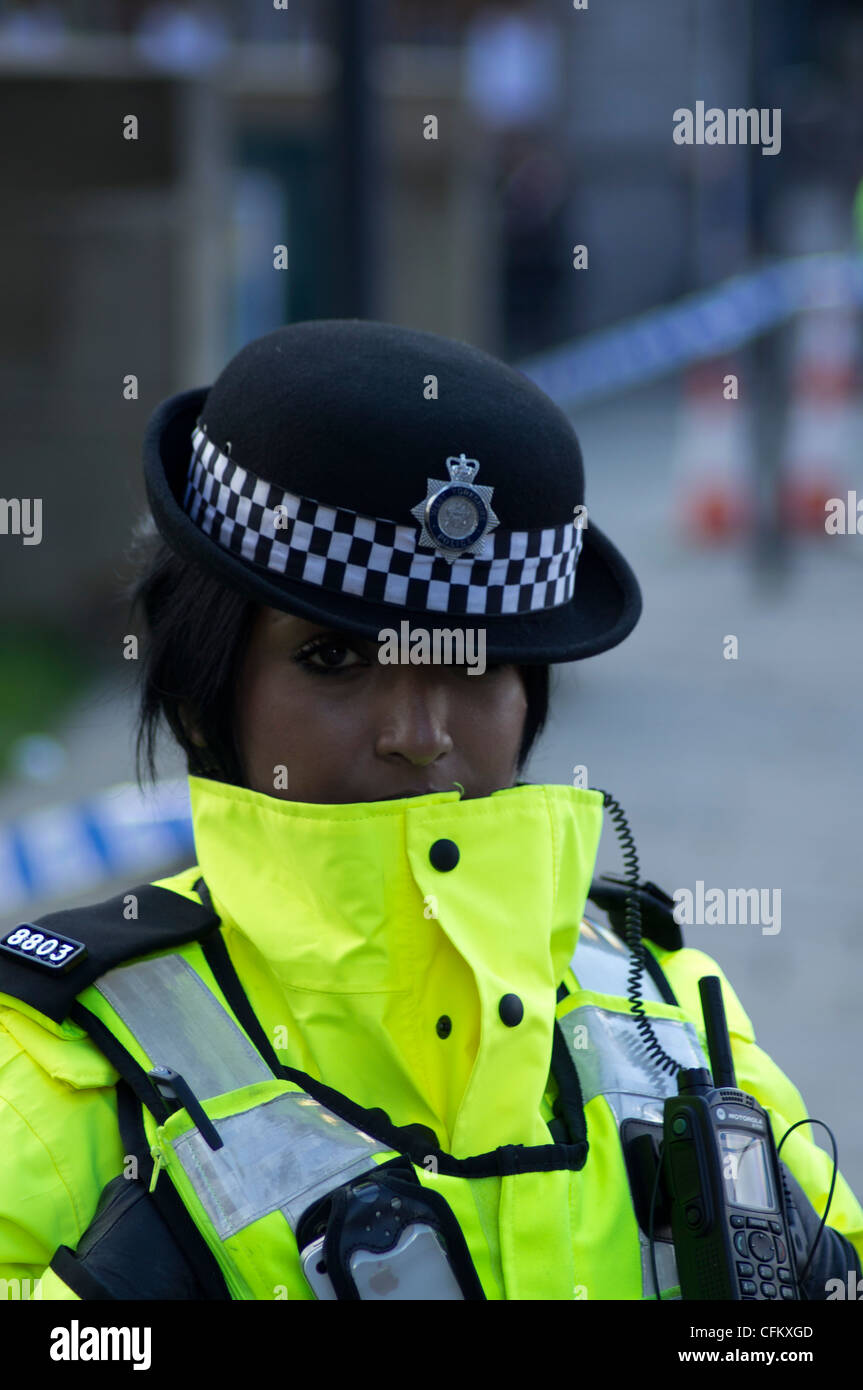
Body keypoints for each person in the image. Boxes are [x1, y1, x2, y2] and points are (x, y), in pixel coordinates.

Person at [0, 319, 860, 1301]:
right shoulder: (52, 1075)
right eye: (334, 657)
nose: (416, 729)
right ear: (203, 691)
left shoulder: (665, 1010)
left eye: (473, 660)